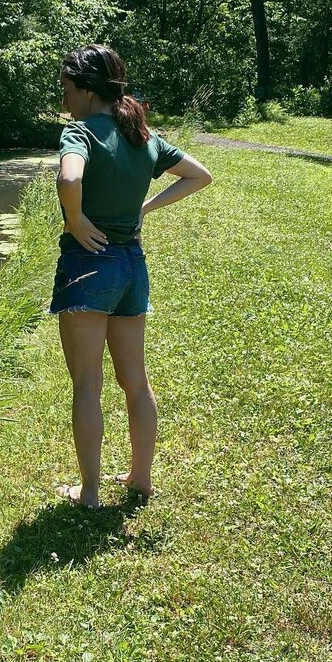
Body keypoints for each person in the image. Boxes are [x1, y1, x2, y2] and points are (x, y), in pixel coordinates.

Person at [51, 44, 213, 509]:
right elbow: (199, 175)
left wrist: (76, 220)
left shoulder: (81, 132)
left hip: (87, 266)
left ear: (87, 90)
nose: (64, 100)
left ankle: (89, 492)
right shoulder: (142, 135)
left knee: (87, 384)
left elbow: (69, 179)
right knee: (135, 382)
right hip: (131, 268)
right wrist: (146, 206)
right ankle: (140, 478)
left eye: (67, 89)